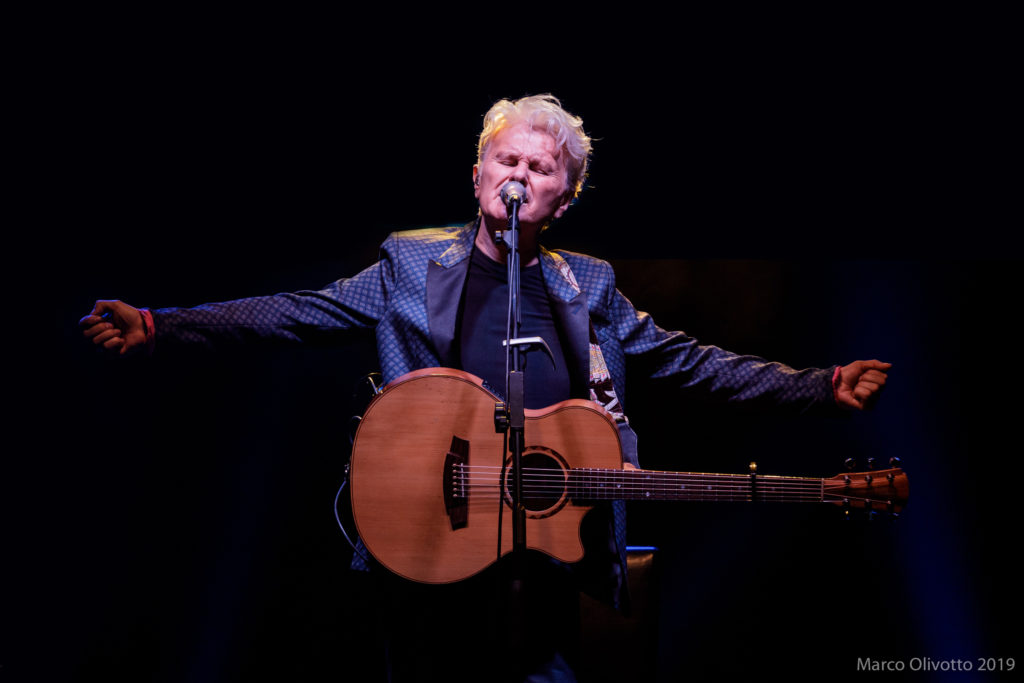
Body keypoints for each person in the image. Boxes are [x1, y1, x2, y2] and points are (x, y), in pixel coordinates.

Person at [80, 94, 890, 682]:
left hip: (548, 569)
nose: (520, 174)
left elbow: (688, 359)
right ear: (478, 177)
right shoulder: (407, 263)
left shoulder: (590, 285)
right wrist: (163, 323)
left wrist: (816, 387)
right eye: (508, 159)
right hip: (427, 545)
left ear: (562, 198)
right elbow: (299, 312)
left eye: (540, 167)